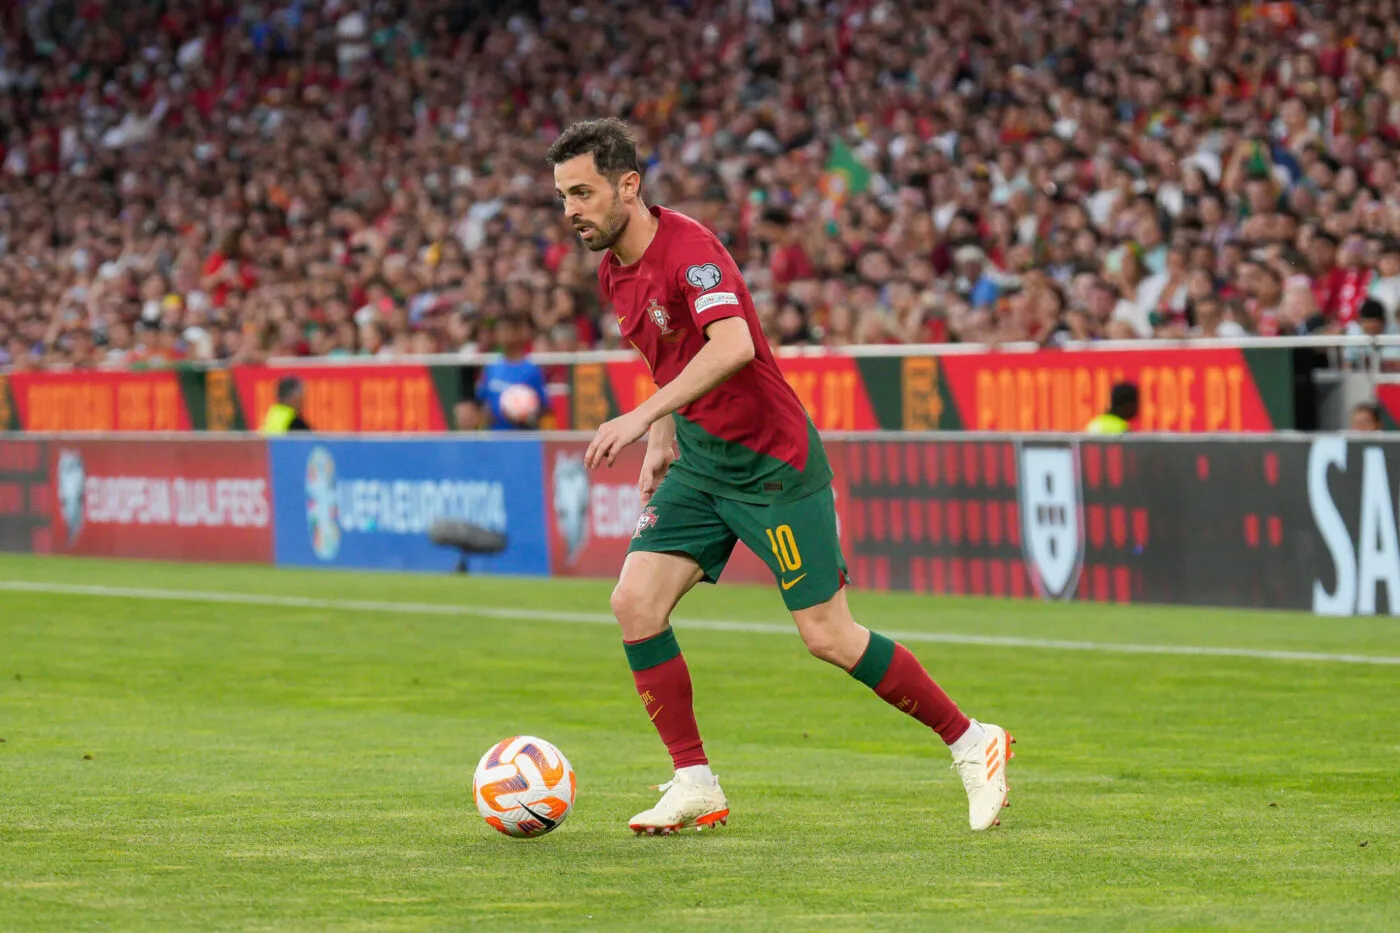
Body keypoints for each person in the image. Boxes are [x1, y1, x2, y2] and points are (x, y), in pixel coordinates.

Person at [548, 118, 1014, 835]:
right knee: (635, 602)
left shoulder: (691, 251)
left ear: (628, 185)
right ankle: (694, 779)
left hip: (772, 467)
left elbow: (730, 344)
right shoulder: (614, 269)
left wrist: (641, 417)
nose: (571, 209)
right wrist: (664, 439)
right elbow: (668, 355)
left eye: (582, 192)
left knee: (828, 635)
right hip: (703, 462)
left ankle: (972, 740)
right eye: (564, 196)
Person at [474, 314, 551, 430]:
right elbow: (482, 401)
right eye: (499, 331)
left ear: (517, 333)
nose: (502, 335)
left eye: (506, 330)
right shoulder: (491, 367)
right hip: (496, 436)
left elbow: (543, 407)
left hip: (523, 437)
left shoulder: (531, 369)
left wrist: (526, 415)